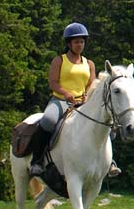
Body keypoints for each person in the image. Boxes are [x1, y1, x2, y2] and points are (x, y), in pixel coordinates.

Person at [28, 22, 121, 178]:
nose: (80, 45)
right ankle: (36, 161)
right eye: (76, 41)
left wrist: (86, 94)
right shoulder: (59, 60)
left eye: (82, 42)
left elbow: (91, 85)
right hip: (60, 101)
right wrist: (65, 93)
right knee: (48, 121)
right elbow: (53, 83)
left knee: (108, 125)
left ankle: (109, 162)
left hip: (83, 103)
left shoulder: (89, 63)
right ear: (69, 43)